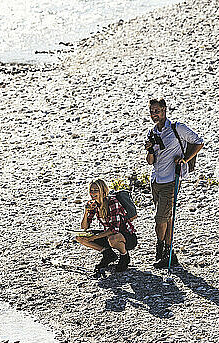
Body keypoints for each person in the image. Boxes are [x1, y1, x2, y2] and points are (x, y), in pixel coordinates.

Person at [144, 98, 204, 268]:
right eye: (152, 112)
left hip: (171, 180)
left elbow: (198, 142)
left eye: (157, 110)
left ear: (164, 110)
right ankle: (169, 254)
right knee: (167, 218)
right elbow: (150, 161)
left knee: (160, 219)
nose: (154, 114)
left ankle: (160, 248)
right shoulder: (152, 133)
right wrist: (149, 150)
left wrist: (185, 159)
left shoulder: (177, 128)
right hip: (155, 179)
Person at [75, 179, 138, 275]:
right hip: (109, 235)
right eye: (91, 191)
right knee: (80, 237)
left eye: (95, 190)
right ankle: (108, 254)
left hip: (126, 237)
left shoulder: (112, 202)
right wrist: (86, 212)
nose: (92, 193)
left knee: (113, 238)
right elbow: (85, 227)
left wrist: (95, 237)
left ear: (102, 191)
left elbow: (114, 229)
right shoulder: (94, 205)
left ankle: (124, 256)